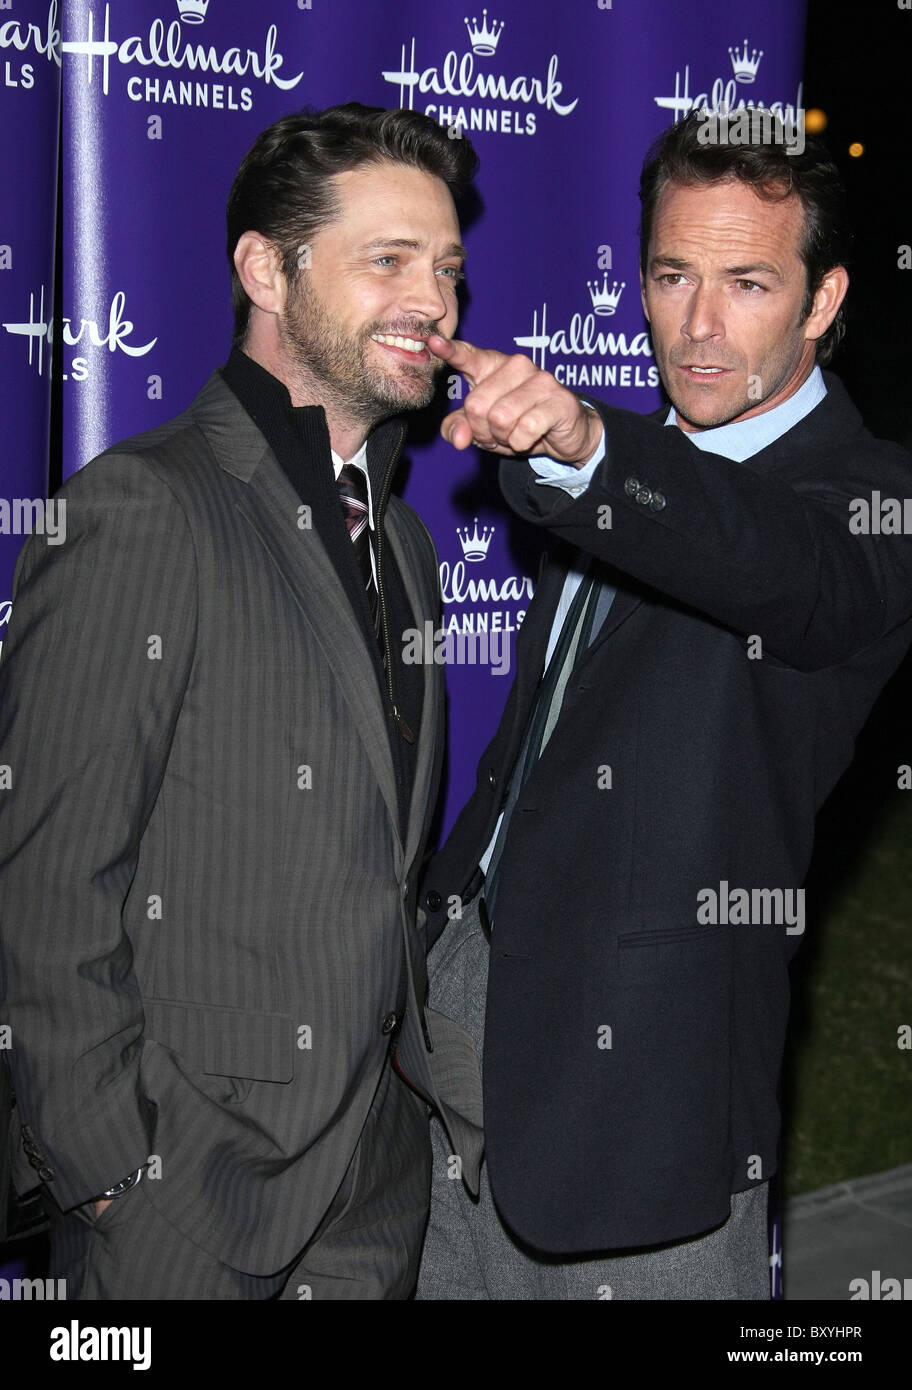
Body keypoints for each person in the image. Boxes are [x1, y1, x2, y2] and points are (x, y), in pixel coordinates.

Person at [415, 111, 912, 1299]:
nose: (697, 326)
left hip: (642, 1124)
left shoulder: (865, 505)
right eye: (672, 275)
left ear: (826, 298)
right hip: (449, 1100)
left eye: (748, 282)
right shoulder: (626, 472)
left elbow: (763, 560)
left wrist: (590, 446)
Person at [0, 104, 483, 1301]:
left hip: (372, 1187)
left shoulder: (406, 543)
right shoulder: (143, 509)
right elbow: (49, 878)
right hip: (182, 1204)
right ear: (266, 269)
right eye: (389, 259)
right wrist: (112, 1168)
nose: (436, 299)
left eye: (449, 267)